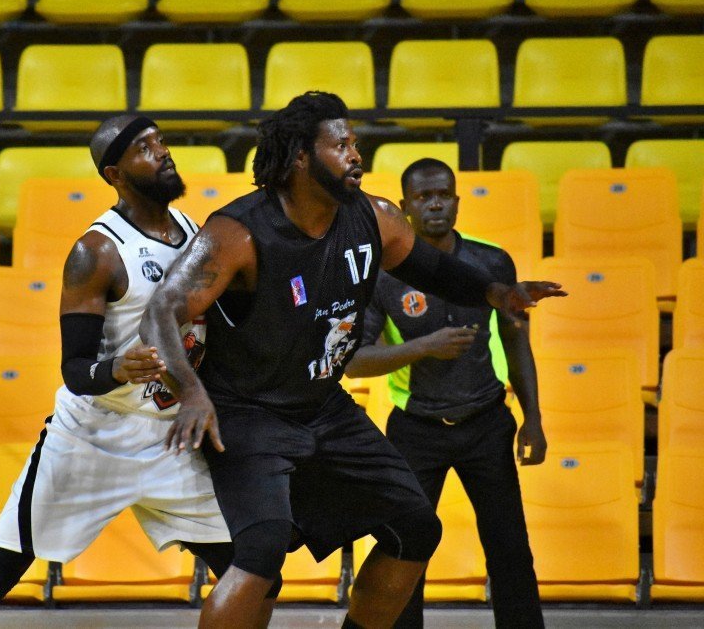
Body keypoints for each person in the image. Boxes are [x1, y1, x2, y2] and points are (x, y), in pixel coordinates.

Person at [139, 92, 565, 629]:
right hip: (249, 411)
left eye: (355, 143)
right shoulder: (238, 232)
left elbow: (434, 270)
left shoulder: (375, 217)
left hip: (323, 406)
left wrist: (497, 293)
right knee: (262, 551)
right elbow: (161, 313)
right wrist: (191, 390)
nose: (356, 155)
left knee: (417, 527)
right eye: (341, 145)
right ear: (301, 157)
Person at [0, 115, 258, 629]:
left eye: (161, 141)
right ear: (114, 173)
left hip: (170, 437)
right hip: (95, 436)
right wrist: (117, 368)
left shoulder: (195, 233)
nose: (163, 152)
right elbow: (75, 370)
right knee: (5, 561)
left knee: (250, 569)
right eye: (144, 148)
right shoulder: (96, 252)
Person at [346, 158, 545, 628]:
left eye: (443, 195)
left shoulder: (491, 262)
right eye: (423, 197)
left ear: (457, 201)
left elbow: (517, 341)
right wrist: (423, 347)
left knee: (510, 547)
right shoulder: (383, 275)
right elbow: (354, 361)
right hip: (416, 429)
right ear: (404, 206)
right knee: (405, 549)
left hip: (487, 423)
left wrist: (533, 418)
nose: (435, 204)